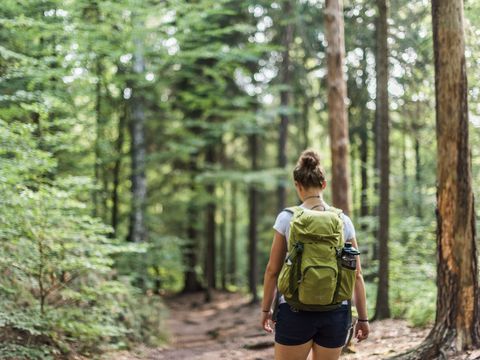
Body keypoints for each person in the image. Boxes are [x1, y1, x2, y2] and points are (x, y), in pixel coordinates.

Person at [261, 149, 369, 360]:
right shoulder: (343, 221)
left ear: (297, 186)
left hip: (294, 311)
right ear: (324, 185)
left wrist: (266, 310)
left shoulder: (287, 219)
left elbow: (272, 270)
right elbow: (356, 274)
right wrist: (363, 319)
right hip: (335, 312)